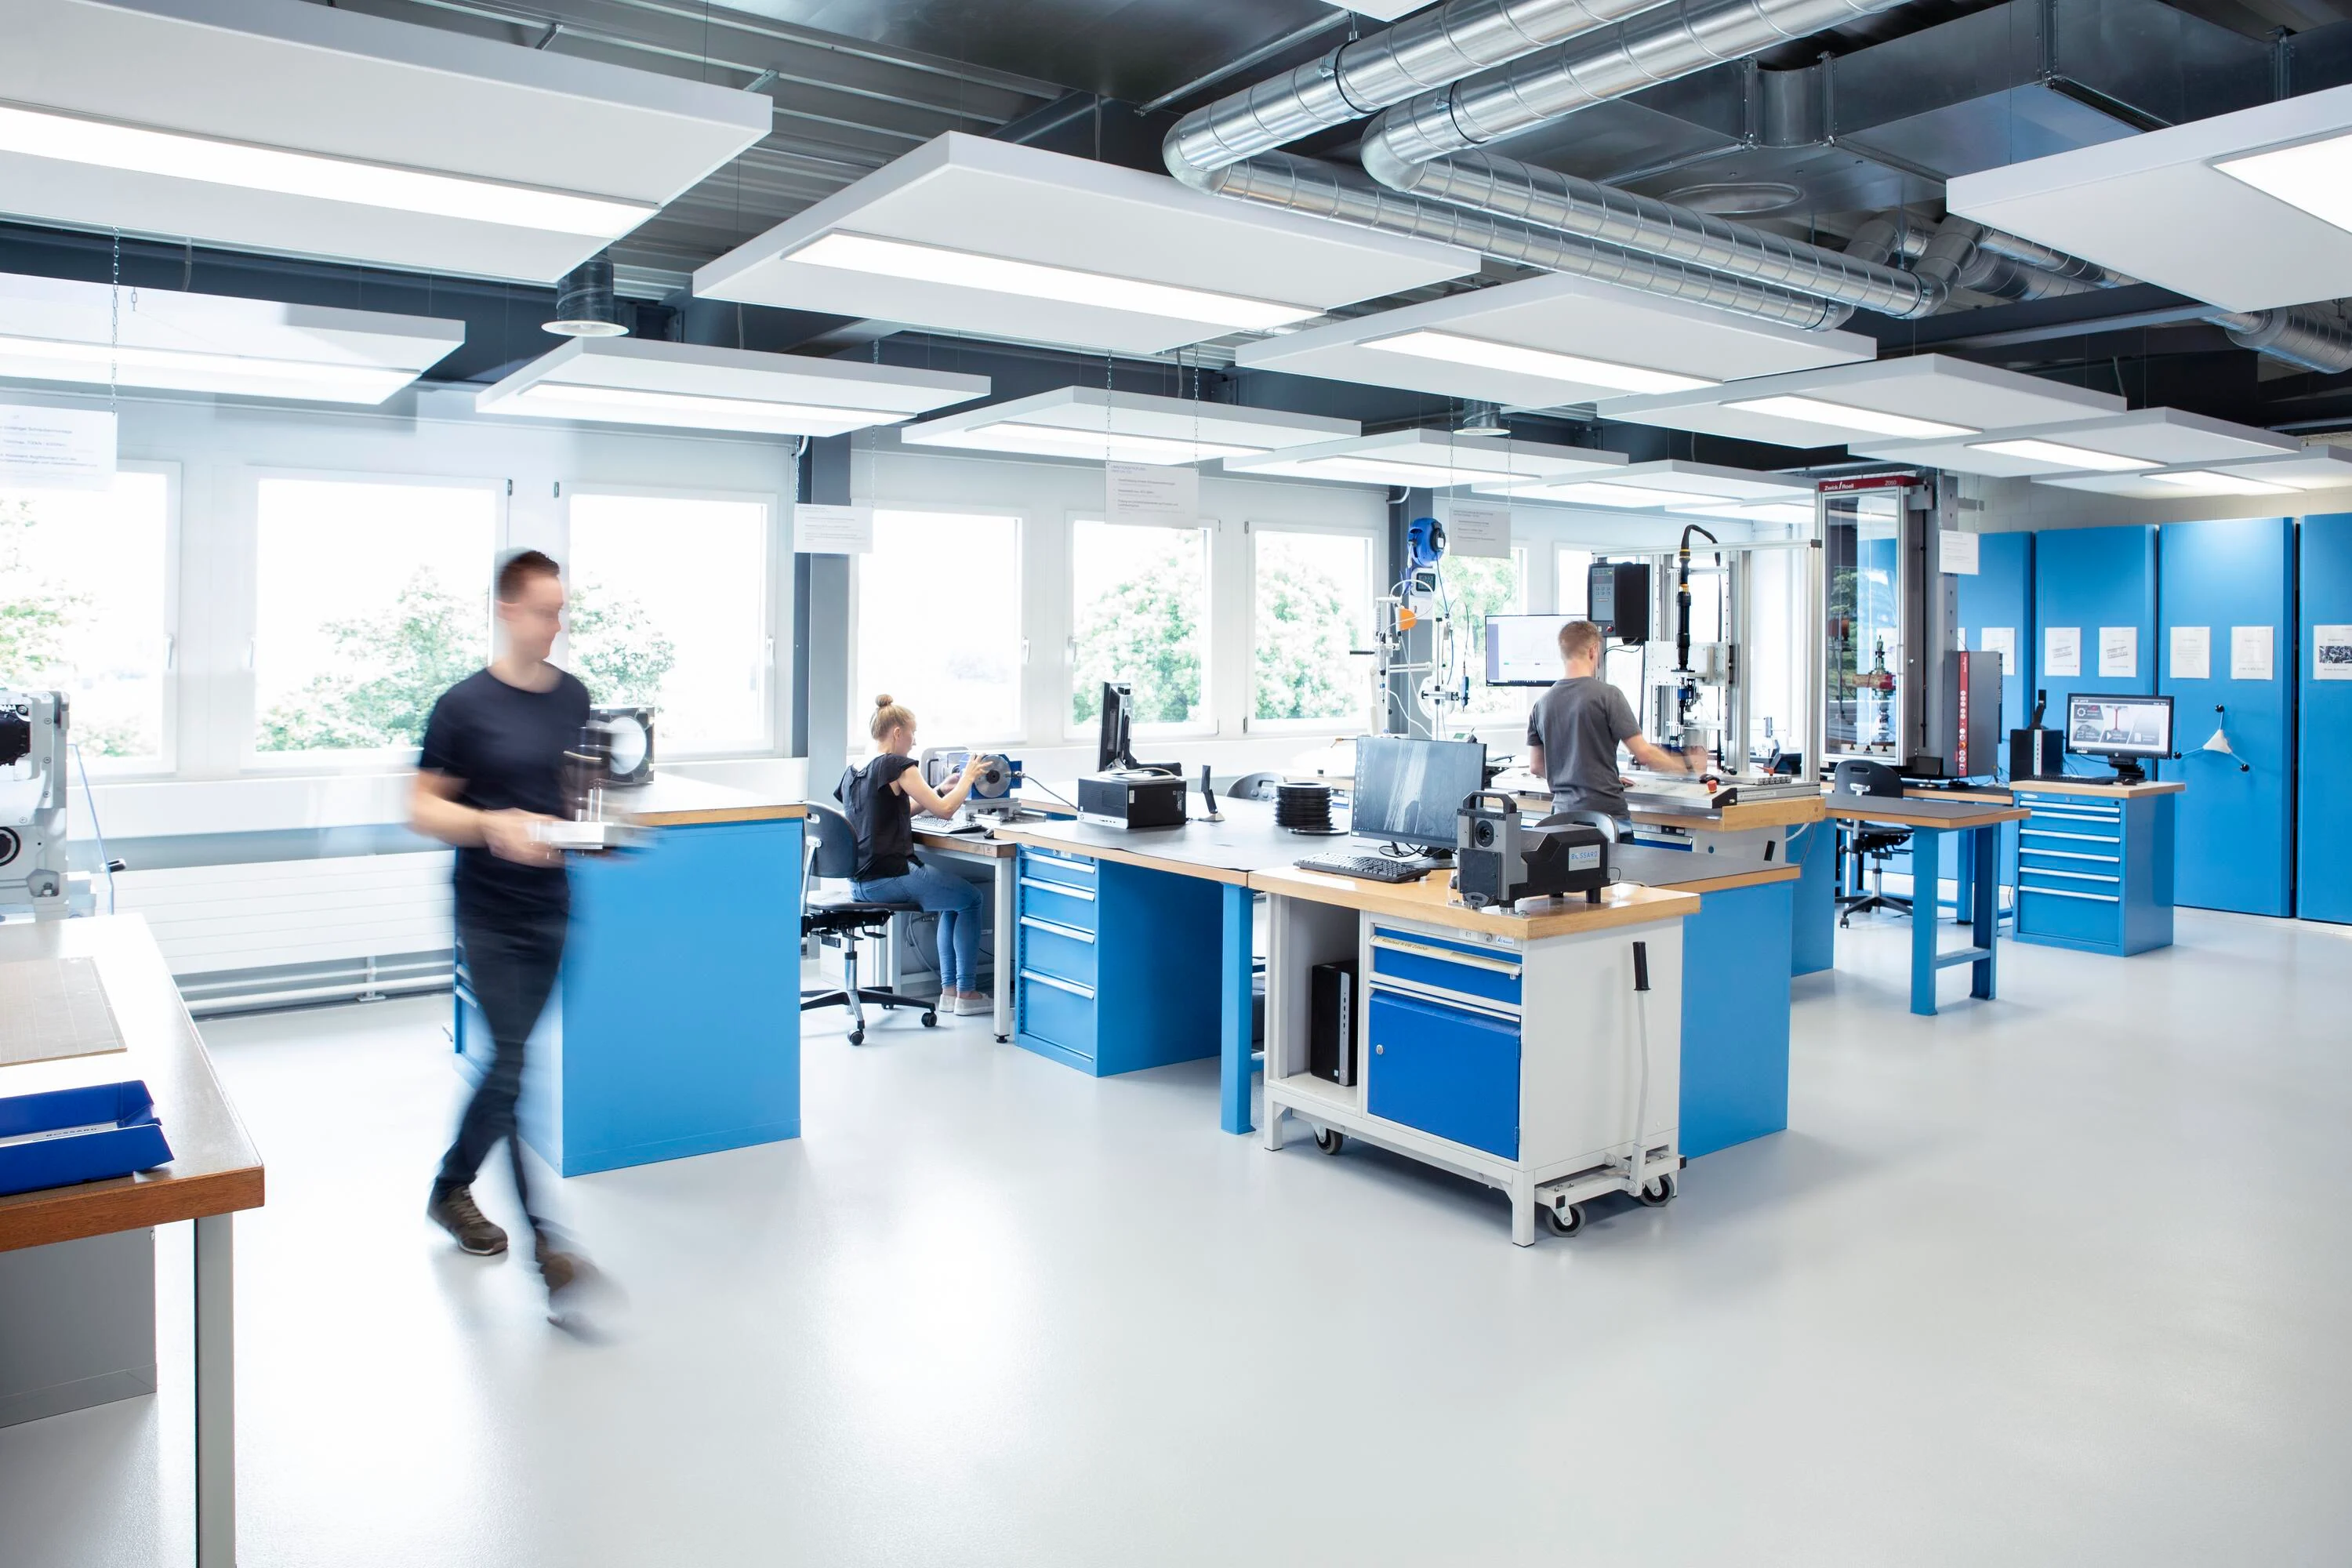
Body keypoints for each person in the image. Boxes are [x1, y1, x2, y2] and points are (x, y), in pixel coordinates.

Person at [411, 548, 593, 1302]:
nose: (557, 624)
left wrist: (594, 829)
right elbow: (421, 808)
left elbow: (578, 794)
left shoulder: (574, 698)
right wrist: (494, 825)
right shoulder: (462, 707)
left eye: (562, 611)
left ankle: (449, 1185)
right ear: (508, 609)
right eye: (546, 611)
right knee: (513, 1063)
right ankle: (547, 1245)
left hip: (552, 905)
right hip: (486, 908)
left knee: (507, 1065)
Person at [840, 695, 990, 1015]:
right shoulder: (896, 764)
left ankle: (951, 992)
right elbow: (947, 812)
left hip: (860, 881)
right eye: (912, 733)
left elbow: (898, 812)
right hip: (890, 876)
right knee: (972, 899)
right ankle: (965, 993)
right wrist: (967, 779)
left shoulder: (853, 770)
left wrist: (940, 789)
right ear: (897, 733)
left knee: (956, 897)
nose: (914, 741)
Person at [1526, 619, 1706, 829]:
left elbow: (1537, 766)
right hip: (1606, 820)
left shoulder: (1541, 704)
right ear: (1593, 650)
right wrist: (1687, 769)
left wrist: (1589, 777)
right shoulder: (1608, 696)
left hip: (1561, 819)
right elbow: (1644, 754)